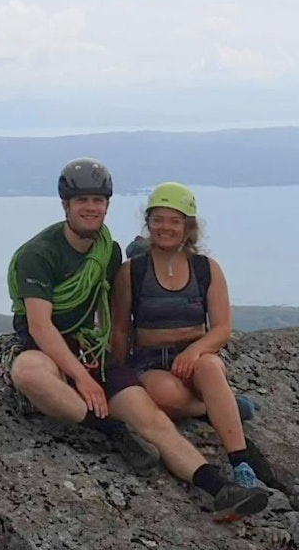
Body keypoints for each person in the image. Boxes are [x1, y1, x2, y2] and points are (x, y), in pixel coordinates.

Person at [5, 159, 271, 521]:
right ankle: (112, 430)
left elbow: (121, 295)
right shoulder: (40, 255)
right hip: (50, 350)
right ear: (65, 205)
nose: (91, 207)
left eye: (98, 200)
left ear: (107, 206)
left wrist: (112, 371)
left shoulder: (108, 252)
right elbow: (40, 327)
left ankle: (220, 489)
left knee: (153, 419)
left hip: (90, 349)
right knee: (30, 372)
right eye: (81, 200)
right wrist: (83, 379)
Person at [110, 182, 274, 489]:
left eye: (175, 220)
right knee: (164, 395)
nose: (165, 227)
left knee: (210, 368)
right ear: (148, 224)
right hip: (151, 361)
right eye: (158, 219)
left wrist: (194, 352)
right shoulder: (131, 271)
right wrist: (117, 373)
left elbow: (222, 327)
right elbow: (120, 328)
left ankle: (240, 463)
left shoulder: (206, 269)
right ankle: (219, 406)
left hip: (198, 354)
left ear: (189, 226)